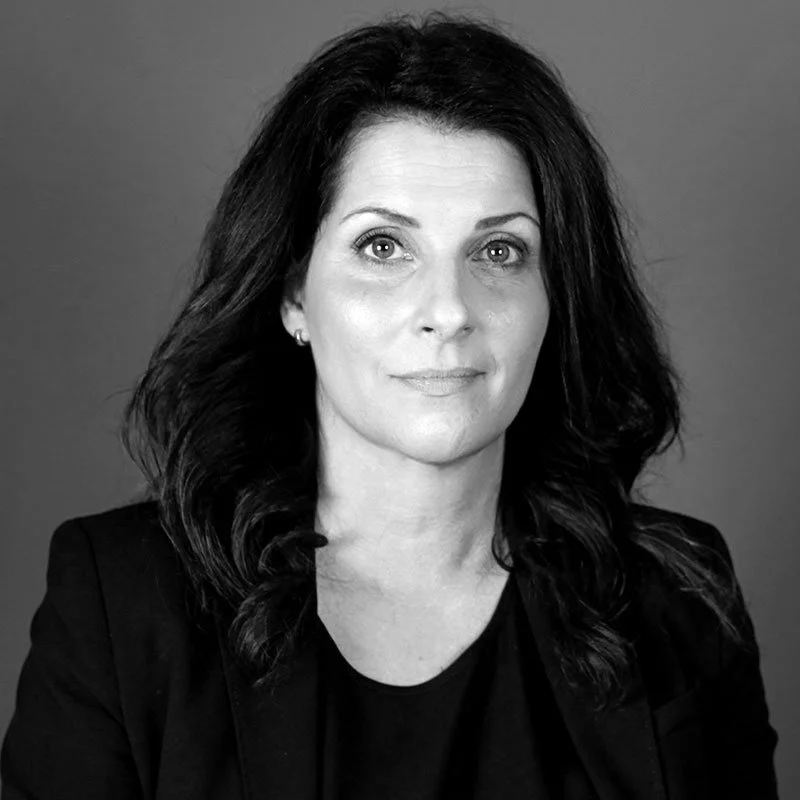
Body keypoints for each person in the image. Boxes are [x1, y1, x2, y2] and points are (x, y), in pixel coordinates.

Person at [1, 10, 780, 799]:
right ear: (294, 295)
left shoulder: (678, 601)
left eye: (499, 250)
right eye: (383, 246)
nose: (448, 309)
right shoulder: (122, 602)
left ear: (557, 298)